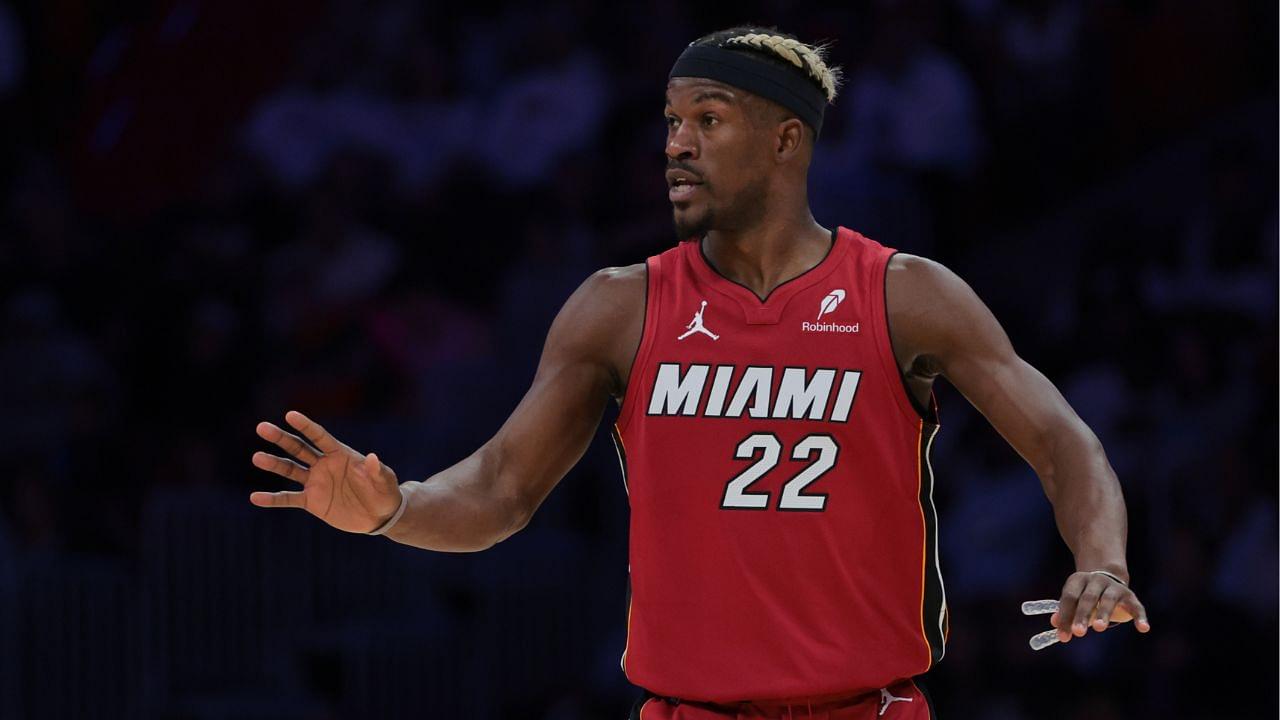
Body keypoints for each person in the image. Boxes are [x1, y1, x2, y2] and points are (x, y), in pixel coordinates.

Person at [249, 25, 1151, 719]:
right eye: (672, 122)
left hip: (862, 707)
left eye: (708, 120)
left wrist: (1101, 560)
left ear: (786, 140)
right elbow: (498, 487)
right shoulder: (620, 304)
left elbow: (1062, 440)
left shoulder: (904, 293)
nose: (677, 144)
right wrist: (396, 509)